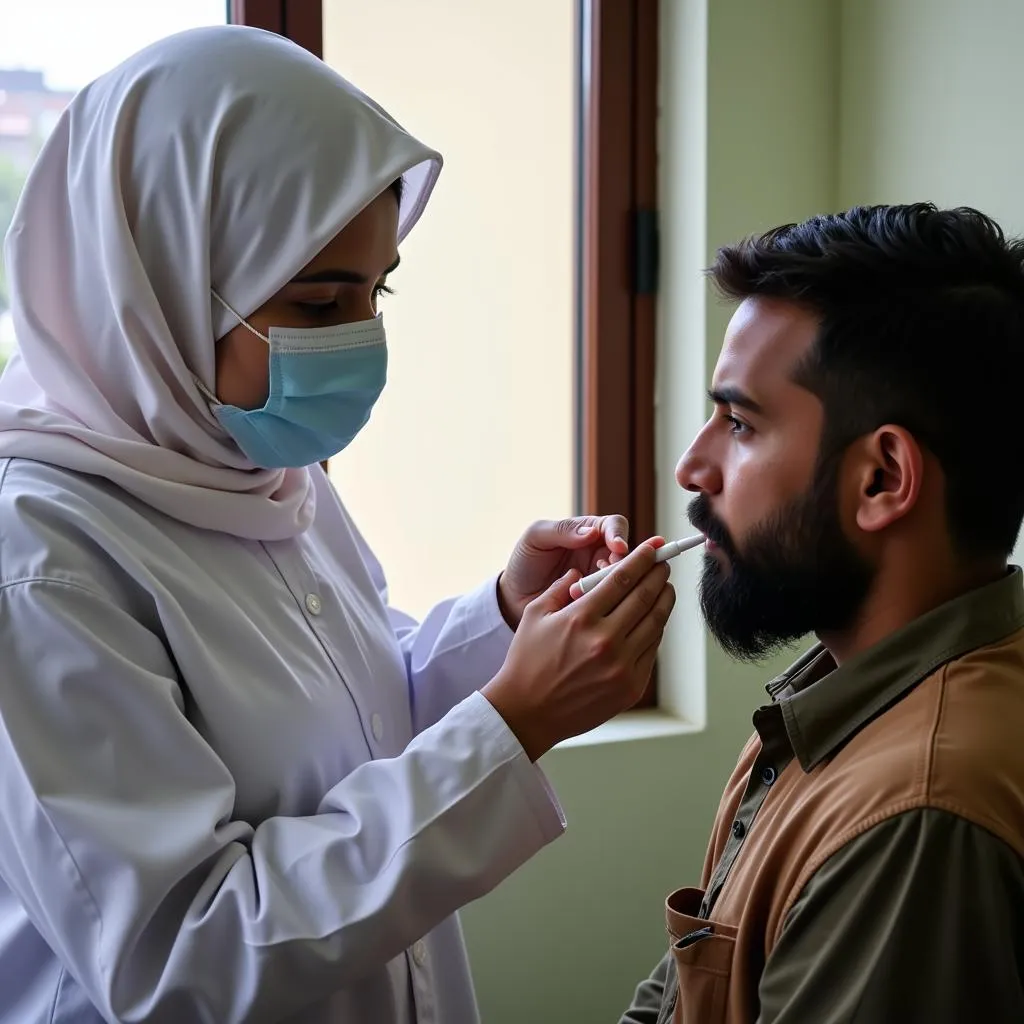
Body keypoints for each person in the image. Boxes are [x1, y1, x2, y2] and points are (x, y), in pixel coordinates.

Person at [0, 26, 677, 1024]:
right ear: (160, 283)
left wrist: (503, 615)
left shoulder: (253, 462)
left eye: (377, 289)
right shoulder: (43, 559)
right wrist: (513, 721)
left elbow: (355, 715)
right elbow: (186, 953)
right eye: (319, 301)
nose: (361, 340)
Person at [620, 203, 1024, 1023]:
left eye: (739, 423)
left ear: (881, 479)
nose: (691, 466)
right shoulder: (835, 702)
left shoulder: (918, 812)